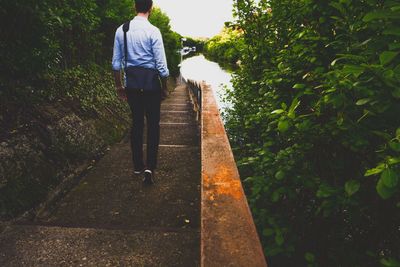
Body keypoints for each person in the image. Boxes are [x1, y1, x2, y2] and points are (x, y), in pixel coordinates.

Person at [112, 0, 169, 185]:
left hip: (132, 85)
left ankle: (137, 165)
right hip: (151, 85)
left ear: (134, 7)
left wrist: (119, 86)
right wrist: (165, 87)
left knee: (137, 123)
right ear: (150, 8)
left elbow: (116, 63)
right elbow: (161, 66)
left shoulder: (122, 30)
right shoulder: (153, 31)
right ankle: (150, 167)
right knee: (153, 125)